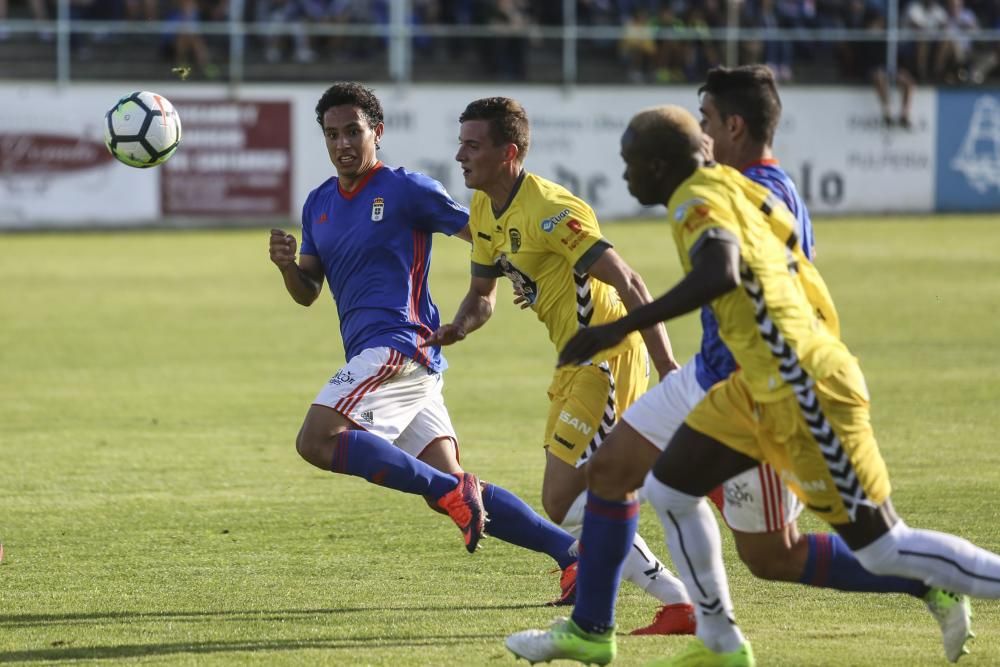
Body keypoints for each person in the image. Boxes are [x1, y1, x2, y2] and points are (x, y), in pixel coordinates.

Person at [509, 103, 1000, 666]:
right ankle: (654, 635)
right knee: (651, 484)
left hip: (795, 383)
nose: (622, 177)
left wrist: (620, 327)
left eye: (629, 164)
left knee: (872, 546)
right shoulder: (736, 187)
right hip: (741, 381)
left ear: (660, 163)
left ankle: (923, 582)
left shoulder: (698, 198)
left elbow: (722, 271)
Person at [269, 81, 584, 594]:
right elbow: (308, 291)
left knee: (315, 440)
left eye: (353, 131)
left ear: (378, 131)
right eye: (332, 134)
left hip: (401, 346)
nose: (343, 143)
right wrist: (287, 267)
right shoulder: (318, 203)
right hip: (391, 360)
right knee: (456, 480)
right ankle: (571, 554)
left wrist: (525, 275)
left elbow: (483, 235)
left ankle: (451, 494)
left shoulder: (405, 189)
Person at [424, 96, 697, 634]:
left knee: (563, 496)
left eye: (472, 145)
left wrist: (669, 367)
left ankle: (675, 570)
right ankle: (677, 597)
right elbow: (483, 294)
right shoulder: (482, 209)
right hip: (572, 363)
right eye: (460, 143)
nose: (460, 155)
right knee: (581, 494)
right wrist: (459, 326)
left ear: (510, 152)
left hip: (607, 357)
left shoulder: (552, 209)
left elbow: (631, 282)